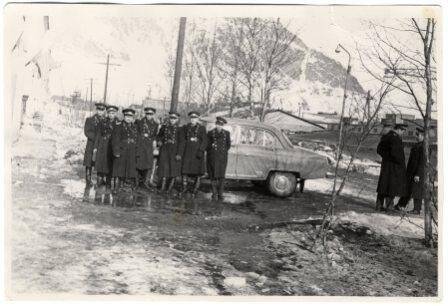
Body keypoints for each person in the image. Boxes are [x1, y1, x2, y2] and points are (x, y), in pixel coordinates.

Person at [376, 123, 408, 211]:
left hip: (386, 166)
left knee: (383, 185)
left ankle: (379, 205)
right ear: (399, 129)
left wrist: (386, 157)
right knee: (391, 186)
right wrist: (399, 162)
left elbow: (379, 150)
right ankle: (389, 206)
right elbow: (396, 154)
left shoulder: (386, 136)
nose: (403, 133)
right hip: (394, 167)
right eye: (403, 131)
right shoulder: (395, 138)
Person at [178, 111, 207, 197]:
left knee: (197, 172)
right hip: (187, 152)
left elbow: (205, 141)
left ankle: (195, 190)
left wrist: (201, 151)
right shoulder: (186, 127)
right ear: (190, 119)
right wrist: (180, 152)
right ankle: (184, 188)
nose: (193, 120)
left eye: (195, 118)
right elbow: (182, 140)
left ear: (197, 119)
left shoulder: (202, 128)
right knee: (185, 171)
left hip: (197, 153)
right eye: (191, 118)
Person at [396, 127, 425, 214]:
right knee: (408, 189)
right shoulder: (417, 145)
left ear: (423, 136)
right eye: (416, 134)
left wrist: (418, 174)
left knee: (417, 191)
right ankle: (401, 205)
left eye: (418, 135)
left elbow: (422, 162)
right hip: (411, 172)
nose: (416, 136)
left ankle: (417, 209)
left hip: (417, 173)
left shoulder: (424, 147)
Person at [94, 105, 119, 197]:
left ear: (115, 113)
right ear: (107, 113)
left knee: (110, 165)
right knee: (100, 164)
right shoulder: (103, 121)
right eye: (109, 113)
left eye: (113, 113)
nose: (111, 115)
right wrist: (96, 147)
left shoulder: (118, 123)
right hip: (103, 146)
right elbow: (98, 135)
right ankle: (99, 183)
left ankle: (108, 185)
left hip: (112, 147)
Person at [112, 108, 138, 188]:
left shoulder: (134, 127)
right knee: (118, 170)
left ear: (133, 117)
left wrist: (136, 152)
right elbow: (115, 140)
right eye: (127, 116)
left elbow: (136, 139)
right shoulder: (119, 126)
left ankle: (122, 186)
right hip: (121, 151)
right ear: (124, 116)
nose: (128, 118)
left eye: (130, 116)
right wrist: (116, 151)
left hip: (130, 152)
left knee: (126, 169)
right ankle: (116, 187)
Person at [206, 116, 231, 200]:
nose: (218, 126)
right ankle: (214, 193)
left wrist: (221, 152)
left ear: (223, 125)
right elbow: (207, 145)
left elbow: (228, 145)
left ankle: (220, 193)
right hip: (212, 157)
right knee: (213, 175)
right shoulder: (210, 133)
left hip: (222, 158)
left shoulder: (226, 133)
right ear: (215, 124)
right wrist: (211, 146)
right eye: (217, 124)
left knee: (221, 176)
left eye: (220, 125)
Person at [157, 111, 182, 193]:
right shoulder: (164, 127)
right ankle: (162, 187)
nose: (172, 120)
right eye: (171, 118)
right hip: (165, 149)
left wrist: (179, 153)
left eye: (174, 119)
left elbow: (181, 143)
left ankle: (169, 188)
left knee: (173, 170)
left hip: (174, 151)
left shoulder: (179, 129)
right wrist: (159, 141)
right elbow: (159, 136)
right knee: (164, 169)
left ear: (177, 120)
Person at [83, 102, 106, 186]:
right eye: (99, 110)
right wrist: (96, 137)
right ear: (97, 110)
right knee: (89, 162)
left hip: (101, 145)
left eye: (102, 110)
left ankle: (99, 179)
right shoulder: (90, 120)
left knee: (100, 161)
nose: (100, 112)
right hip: (91, 144)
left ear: (104, 111)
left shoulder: (105, 121)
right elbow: (87, 132)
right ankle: (88, 179)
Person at [136, 107, 159, 189]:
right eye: (147, 114)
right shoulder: (140, 122)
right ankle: (137, 182)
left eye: (151, 114)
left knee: (148, 164)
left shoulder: (155, 124)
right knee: (139, 163)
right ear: (145, 114)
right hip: (141, 145)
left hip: (149, 147)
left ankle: (145, 182)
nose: (149, 116)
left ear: (153, 115)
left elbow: (154, 136)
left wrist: (154, 143)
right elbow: (137, 133)